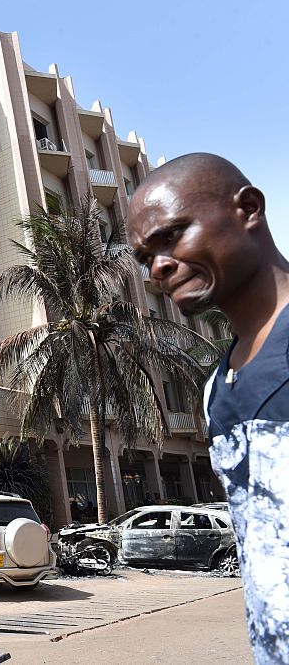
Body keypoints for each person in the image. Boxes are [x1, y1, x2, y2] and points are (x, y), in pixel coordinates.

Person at [127, 152, 289, 664]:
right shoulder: (217, 386)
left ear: (249, 209)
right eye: (145, 257)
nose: (158, 267)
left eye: (172, 236)